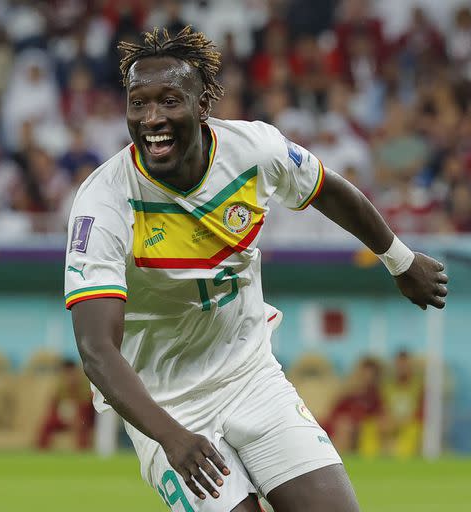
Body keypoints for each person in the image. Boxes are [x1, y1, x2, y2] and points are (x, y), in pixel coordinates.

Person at [64, 27, 448, 512]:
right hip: (167, 405)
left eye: (169, 101)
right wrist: (171, 437)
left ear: (203, 104)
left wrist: (399, 258)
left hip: (253, 378)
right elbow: (96, 349)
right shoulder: (103, 203)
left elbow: (326, 188)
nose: (152, 119)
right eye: (138, 104)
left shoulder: (254, 151)